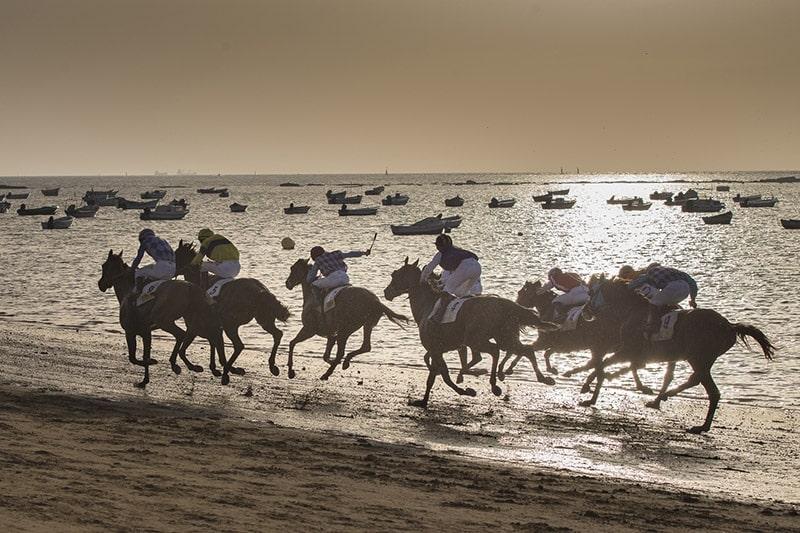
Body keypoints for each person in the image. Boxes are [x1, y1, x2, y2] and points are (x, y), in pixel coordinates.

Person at [420, 234, 481, 322]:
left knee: (446, 291)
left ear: (440, 246)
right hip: (477, 267)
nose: (437, 248)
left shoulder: (440, 254)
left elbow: (429, 268)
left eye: (438, 245)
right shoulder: (458, 250)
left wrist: (422, 280)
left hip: (465, 267)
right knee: (463, 293)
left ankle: (438, 316)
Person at [628, 263, 698, 333]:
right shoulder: (674, 271)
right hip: (686, 289)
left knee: (654, 302)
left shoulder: (650, 272)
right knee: (665, 302)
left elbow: (638, 282)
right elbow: (692, 283)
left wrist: (629, 286)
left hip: (674, 287)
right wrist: (693, 299)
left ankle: (653, 326)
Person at [307, 246, 371, 310]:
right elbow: (350, 254)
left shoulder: (318, 260)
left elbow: (310, 278)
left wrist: (311, 274)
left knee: (314, 285)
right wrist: (364, 253)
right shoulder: (336, 254)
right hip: (345, 277)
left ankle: (319, 304)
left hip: (333, 278)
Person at [131, 228, 175, 293]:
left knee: (139, 272)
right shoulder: (163, 240)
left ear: (142, 238)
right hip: (173, 269)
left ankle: (138, 292)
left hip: (162, 266)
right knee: (151, 271)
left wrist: (132, 269)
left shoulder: (145, 241)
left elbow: (138, 258)